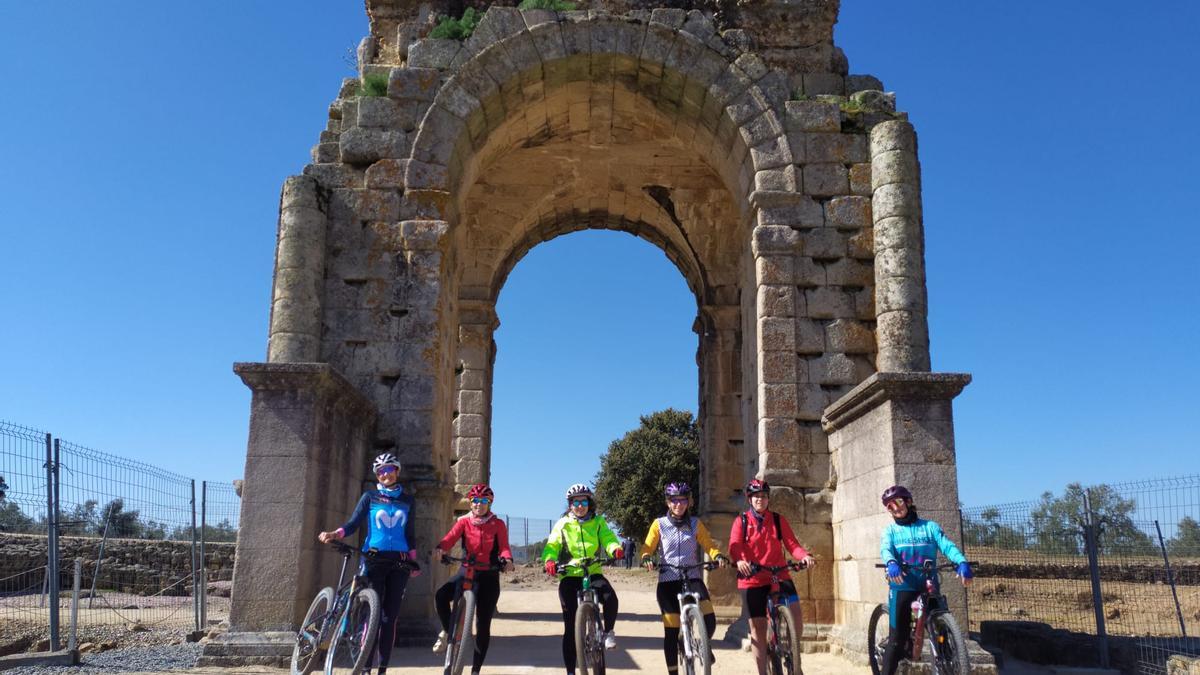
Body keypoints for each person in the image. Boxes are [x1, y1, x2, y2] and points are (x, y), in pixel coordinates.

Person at [317, 452, 420, 675]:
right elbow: (354, 523)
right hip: (374, 559)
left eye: (390, 470)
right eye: (381, 471)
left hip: (400, 562)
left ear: (397, 472)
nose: (386, 474)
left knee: (389, 617)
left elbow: (410, 533)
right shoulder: (370, 497)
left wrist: (413, 560)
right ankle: (365, 667)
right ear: (377, 475)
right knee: (371, 612)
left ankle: (382, 668)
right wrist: (336, 533)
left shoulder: (408, 500)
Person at [879, 484, 973, 675]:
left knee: (943, 633)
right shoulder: (891, 531)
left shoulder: (930, 527)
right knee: (897, 638)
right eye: (889, 506)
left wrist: (961, 562)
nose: (895, 508)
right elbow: (885, 549)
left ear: (908, 501)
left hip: (928, 584)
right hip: (902, 585)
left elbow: (947, 546)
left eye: (897, 502)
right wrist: (891, 562)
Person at [640, 481, 729, 675]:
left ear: (688, 502)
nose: (679, 505)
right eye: (674, 501)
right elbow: (647, 547)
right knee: (671, 633)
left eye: (682, 500)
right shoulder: (659, 524)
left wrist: (717, 556)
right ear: (668, 503)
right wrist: (646, 557)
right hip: (668, 580)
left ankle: (702, 644)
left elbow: (709, 545)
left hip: (692, 577)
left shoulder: (696, 523)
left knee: (710, 619)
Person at [728, 478, 815, 675]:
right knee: (758, 630)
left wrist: (804, 556)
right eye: (756, 496)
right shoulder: (741, 521)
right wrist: (740, 561)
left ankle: (793, 658)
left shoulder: (777, 520)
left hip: (779, 574)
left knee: (797, 617)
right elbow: (734, 545)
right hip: (752, 578)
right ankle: (762, 671)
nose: (760, 499)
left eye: (764, 496)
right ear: (749, 499)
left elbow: (792, 544)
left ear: (768, 499)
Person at [541, 483, 625, 675]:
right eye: (575, 502)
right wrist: (550, 559)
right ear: (570, 505)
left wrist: (615, 549)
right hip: (570, 574)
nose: (580, 506)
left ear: (589, 503)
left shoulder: (598, 522)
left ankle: (608, 633)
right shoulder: (563, 524)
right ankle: (571, 670)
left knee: (611, 598)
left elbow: (608, 538)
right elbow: (552, 544)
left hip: (593, 570)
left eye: (584, 501)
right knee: (570, 628)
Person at [431, 483, 513, 675]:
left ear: (489, 503)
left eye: (484, 501)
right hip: (466, 571)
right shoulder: (464, 522)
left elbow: (504, 547)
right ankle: (448, 631)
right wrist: (440, 548)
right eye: (475, 501)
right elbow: (450, 538)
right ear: (471, 503)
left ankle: (476, 670)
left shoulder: (497, 524)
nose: (479, 505)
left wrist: (507, 559)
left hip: (489, 575)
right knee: (441, 596)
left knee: (483, 625)